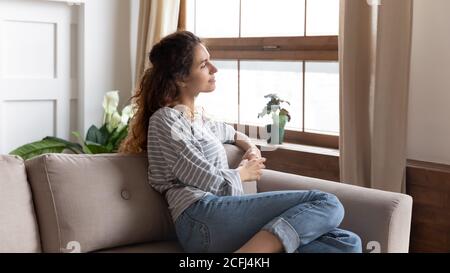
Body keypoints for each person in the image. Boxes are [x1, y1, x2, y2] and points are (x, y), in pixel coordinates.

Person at [119, 31, 362, 253]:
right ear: (181, 78)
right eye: (204, 65)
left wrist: (252, 148)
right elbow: (208, 179)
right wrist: (243, 173)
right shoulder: (166, 120)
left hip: (224, 215)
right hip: (200, 218)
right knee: (327, 202)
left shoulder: (200, 120)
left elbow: (234, 134)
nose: (214, 69)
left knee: (347, 243)